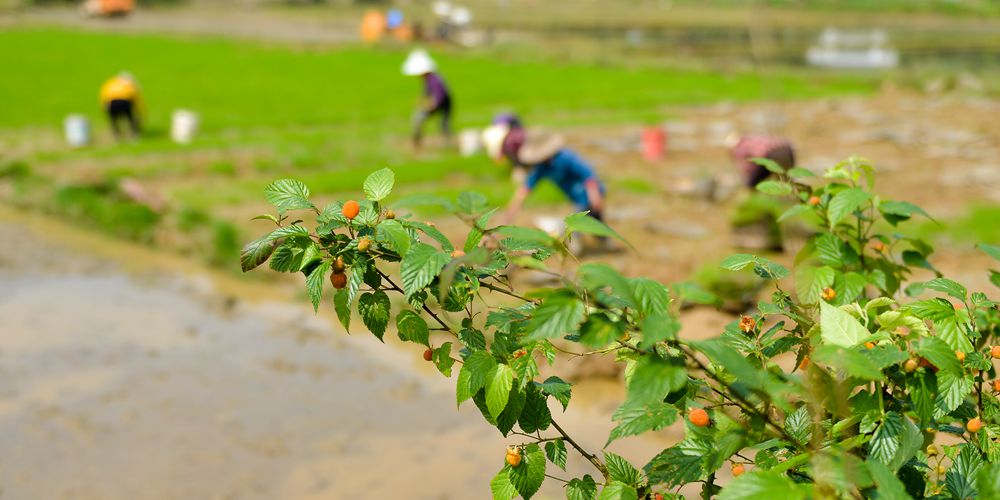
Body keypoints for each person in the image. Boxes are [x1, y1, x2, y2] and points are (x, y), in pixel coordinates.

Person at [482, 123, 606, 225]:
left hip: (588, 195)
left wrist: (594, 195)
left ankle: (591, 242)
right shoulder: (541, 168)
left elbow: (587, 173)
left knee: (584, 223)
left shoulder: (564, 157)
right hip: (576, 197)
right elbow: (524, 191)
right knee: (589, 221)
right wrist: (507, 216)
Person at [402, 49, 452, 149]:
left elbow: (439, 95)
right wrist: (422, 101)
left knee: (442, 123)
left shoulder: (434, 79)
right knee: (421, 119)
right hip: (439, 102)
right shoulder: (429, 78)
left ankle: (446, 143)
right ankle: (417, 141)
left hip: (442, 103)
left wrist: (431, 105)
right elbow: (426, 92)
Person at [726, 132, 795, 188]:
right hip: (787, 149)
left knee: (751, 183)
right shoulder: (750, 137)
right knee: (787, 176)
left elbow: (749, 164)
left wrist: (749, 178)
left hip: (769, 155)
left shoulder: (739, 148)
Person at [99, 72, 143, 140]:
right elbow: (134, 98)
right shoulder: (128, 85)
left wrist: (105, 108)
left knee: (113, 119)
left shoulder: (110, 84)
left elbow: (104, 97)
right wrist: (139, 112)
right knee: (130, 117)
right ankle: (134, 133)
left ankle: (116, 134)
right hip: (124, 101)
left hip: (111, 103)